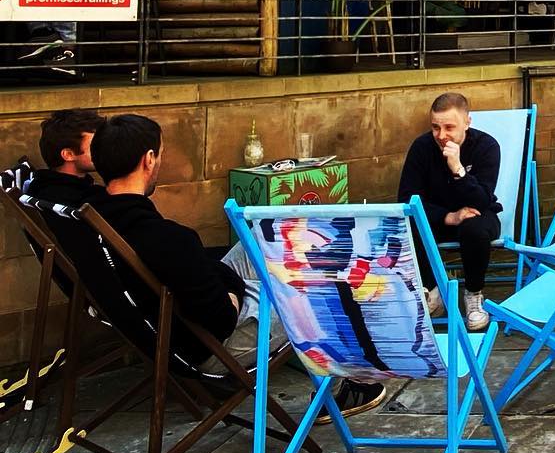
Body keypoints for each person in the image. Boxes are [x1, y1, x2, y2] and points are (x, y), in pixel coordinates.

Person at [87, 114, 384, 410]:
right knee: (325, 285)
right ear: (149, 159)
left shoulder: (96, 222)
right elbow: (222, 318)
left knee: (260, 236)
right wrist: (236, 290)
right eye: (161, 154)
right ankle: (346, 390)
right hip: (208, 346)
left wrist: (229, 282)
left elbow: (195, 267)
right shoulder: (166, 238)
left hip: (177, 321)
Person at [396, 92, 501, 331]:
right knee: (410, 223)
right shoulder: (422, 147)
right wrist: (448, 217)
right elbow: (407, 199)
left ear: (467, 122)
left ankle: (473, 295)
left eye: (449, 127)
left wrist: (458, 169)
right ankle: (434, 290)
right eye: (435, 127)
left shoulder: (487, 146)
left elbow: (483, 200)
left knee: (474, 227)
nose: (441, 135)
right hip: (438, 217)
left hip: (478, 214)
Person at [25, 108, 106, 208]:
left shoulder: (40, 186)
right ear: (68, 155)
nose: (104, 149)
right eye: (95, 145)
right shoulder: (72, 200)